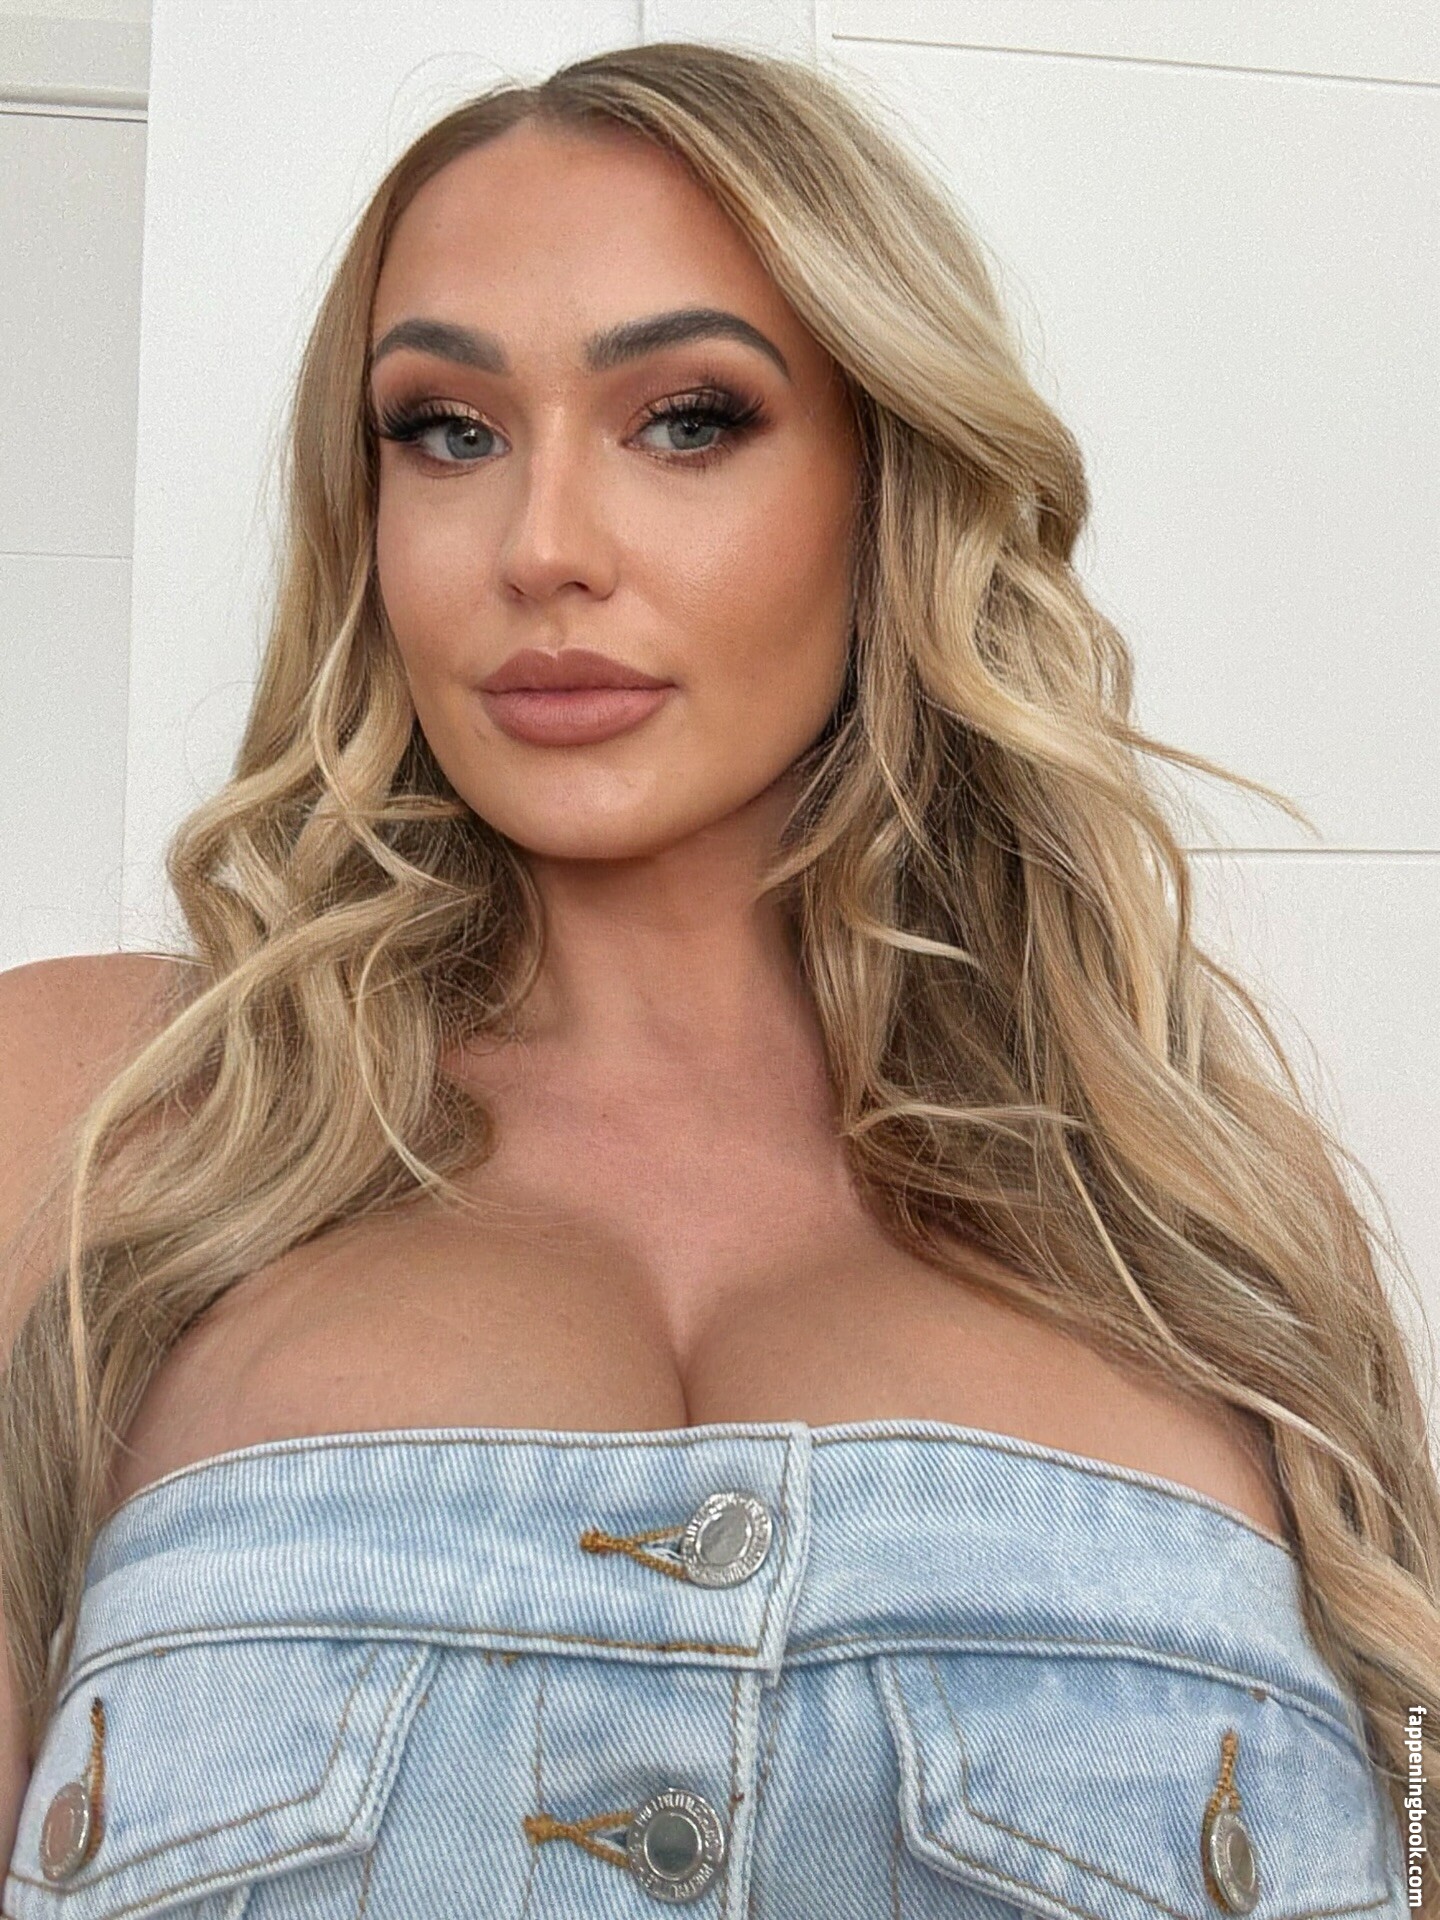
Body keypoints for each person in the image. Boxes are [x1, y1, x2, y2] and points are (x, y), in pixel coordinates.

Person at [1, 39, 1435, 1917]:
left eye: (687, 420)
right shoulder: (96, 1120)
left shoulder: (1193, 1209)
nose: (542, 549)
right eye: (447, 431)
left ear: (888, 484)